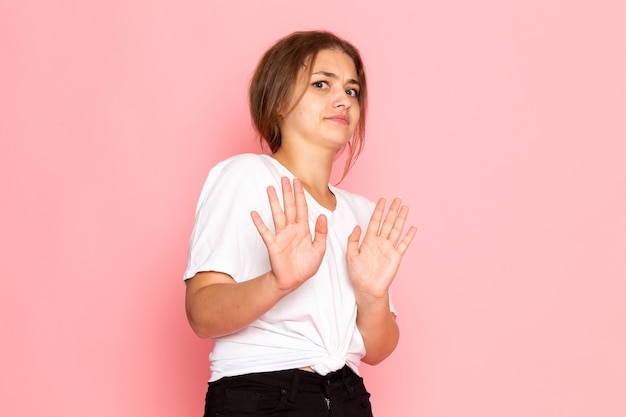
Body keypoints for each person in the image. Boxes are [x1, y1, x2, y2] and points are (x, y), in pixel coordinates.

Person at [183, 30, 417, 417]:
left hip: (348, 397)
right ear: (277, 101)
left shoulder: (362, 213)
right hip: (262, 393)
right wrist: (278, 283)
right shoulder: (246, 177)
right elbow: (201, 315)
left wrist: (373, 296)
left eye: (352, 90)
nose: (343, 99)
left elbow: (377, 350)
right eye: (322, 84)